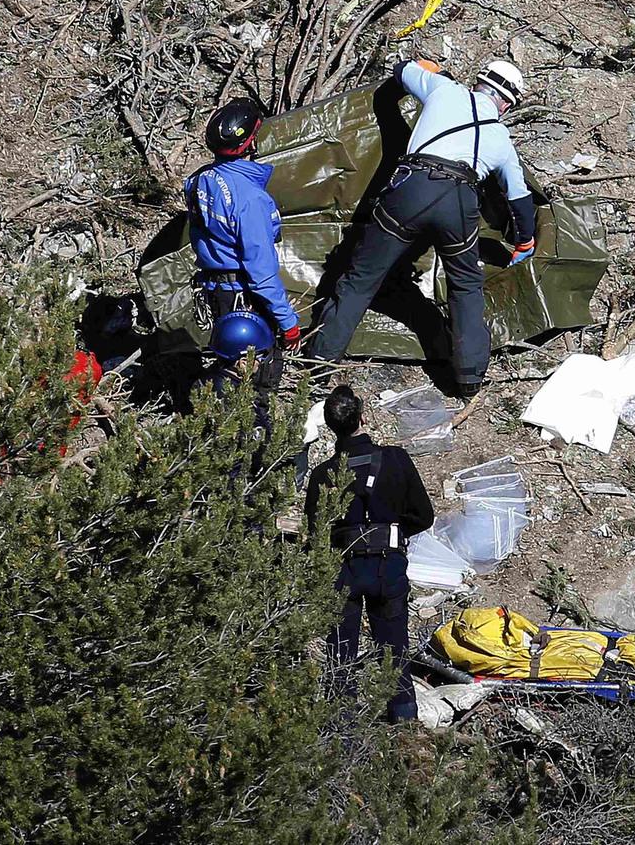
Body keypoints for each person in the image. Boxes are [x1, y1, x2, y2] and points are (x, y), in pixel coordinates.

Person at [310, 60, 538, 398]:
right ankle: (469, 380)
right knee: (465, 289)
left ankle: (318, 364)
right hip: (459, 202)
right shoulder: (501, 138)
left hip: (410, 189)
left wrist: (426, 67)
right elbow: (518, 196)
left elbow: (401, 70)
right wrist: (524, 240)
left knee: (361, 279)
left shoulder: (443, 89)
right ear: (507, 102)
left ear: (478, 82)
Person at [305, 386, 435, 722]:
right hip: (387, 567)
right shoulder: (395, 459)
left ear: (332, 428)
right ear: (363, 417)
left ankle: (339, 730)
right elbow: (423, 515)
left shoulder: (321, 476)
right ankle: (404, 725)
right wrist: (393, 532)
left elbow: (316, 533)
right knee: (394, 651)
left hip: (342, 571)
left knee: (340, 656)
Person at [184, 97, 301, 400]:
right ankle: (253, 431)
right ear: (251, 142)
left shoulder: (198, 181)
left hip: (216, 290)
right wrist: (288, 323)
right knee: (257, 376)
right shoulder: (250, 200)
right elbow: (261, 272)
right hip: (243, 295)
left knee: (228, 364)